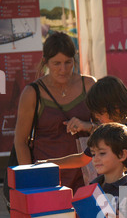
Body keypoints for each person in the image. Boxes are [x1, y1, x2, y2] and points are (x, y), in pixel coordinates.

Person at [41, 75, 127, 198]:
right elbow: (82, 159)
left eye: (100, 113)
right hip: (107, 196)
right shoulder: (103, 133)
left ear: (115, 108)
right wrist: (49, 163)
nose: (97, 118)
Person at [14, 31, 96, 193]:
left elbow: (108, 128)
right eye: (56, 63)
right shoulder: (32, 93)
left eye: (68, 62)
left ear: (75, 59)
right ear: (45, 62)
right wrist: (31, 180)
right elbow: (21, 141)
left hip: (88, 175)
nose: (63, 69)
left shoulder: (89, 85)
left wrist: (86, 126)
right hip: (49, 178)